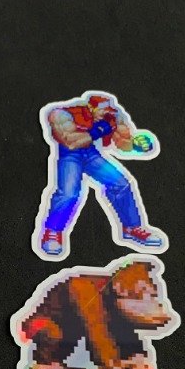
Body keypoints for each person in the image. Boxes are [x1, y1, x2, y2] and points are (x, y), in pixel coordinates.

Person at [37, 92, 166, 258]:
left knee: (121, 184)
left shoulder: (112, 116)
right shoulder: (63, 114)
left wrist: (137, 145)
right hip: (70, 155)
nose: (106, 114)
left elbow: (122, 142)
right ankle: (53, 232)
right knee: (69, 193)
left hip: (91, 154)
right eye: (102, 110)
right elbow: (70, 142)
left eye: (108, 110)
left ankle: (131, 227)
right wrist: (98, 131)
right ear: (91, 108)